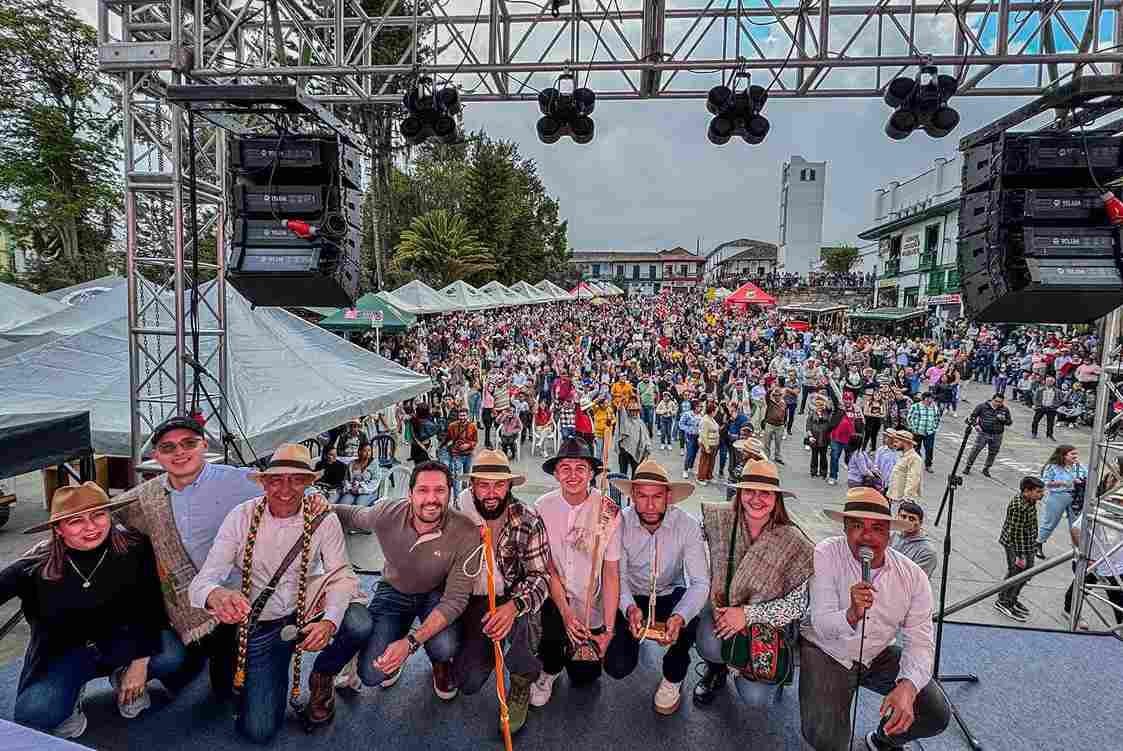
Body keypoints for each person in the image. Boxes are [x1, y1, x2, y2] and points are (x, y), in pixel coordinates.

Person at [188, 444, 369, 741]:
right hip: (264, 619)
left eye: (296, 479)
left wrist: (329, 622)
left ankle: (323, 674)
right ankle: (267, 673)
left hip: (309, 605)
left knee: (359, 622)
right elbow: (202, 581)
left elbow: (341, 576)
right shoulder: (241, 516)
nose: (285, 489)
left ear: (308, 483)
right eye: (276, 480)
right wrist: (216, 595)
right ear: (264, 483)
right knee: (258, 731)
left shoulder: (323, 517)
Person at [112, 416, 295, 704]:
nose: (179, 452)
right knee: (179, 674)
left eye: (188, 443)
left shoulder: (238, 480)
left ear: (204, 446)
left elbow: (296, 493)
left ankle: (231, 659)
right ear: (156, 456)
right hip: (189, 606)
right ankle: (189, 663)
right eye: (168, 447)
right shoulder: (147, 496)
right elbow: (100, 515)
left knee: (227, 692)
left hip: (240, 602)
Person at [3, 483, 192, 739]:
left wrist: (139, 665)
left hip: (123, 642)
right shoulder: (33, 567)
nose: (91, 527)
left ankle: (124, 676)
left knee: (172, 656)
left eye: (98, 515)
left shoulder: (134, 547)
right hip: (63, 653)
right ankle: (72, 693)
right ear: (58, 529)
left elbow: (151, 606)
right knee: (34, 715)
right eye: (75, 521)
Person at [800, 487, 950, 751]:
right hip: (826, 651)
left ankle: (883, 739)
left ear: (890, 534)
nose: (867, 536)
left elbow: (921, 641)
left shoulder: (913, 576)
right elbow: (821, 625)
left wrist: (908, 685)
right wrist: (851, 614)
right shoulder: (826, 553)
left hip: (876, 652)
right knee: (827, 739)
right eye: (858, 526)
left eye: (878, 528)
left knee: (935, 712)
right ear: (845, 528)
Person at [329, 461, 478, 700]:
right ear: (410, 494)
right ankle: (393, 652)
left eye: (440, 490)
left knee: (445, 647)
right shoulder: (387, 513)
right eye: (423, 490)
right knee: (371, 674)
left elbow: (455, 600)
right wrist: (316, 506)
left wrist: (410, 643)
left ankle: (439, 662)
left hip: (436, 593)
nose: (432, 498)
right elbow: (350, 515)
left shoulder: (466, 531)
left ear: (450, 493)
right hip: (393, 590)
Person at [693, 459, 813, 705]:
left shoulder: (794, 540)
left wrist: (747, 615)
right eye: (750, 491)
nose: (756, 499)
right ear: (740, 492)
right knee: (708, 644)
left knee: (756, 698)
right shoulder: (717, 519)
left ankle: (763, 669)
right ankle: (717, 670)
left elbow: (797, 605)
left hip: (766, 623)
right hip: (722, 610)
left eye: (765, 493)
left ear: (776, 498)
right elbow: (700, 568)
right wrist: (720, 608)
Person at [451, 450, 551, 735]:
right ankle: (453, 654)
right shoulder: (457, 514)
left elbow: (540, 576)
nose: (491, 493)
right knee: (468, 682)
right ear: (472, 486)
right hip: (473, 597)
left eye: (499, 485)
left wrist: (514, 606)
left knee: (528, 619)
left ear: (510, 486)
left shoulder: (529, 519)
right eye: (483, 484)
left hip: (513, 595)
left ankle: (520, 682)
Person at [602, 460, 709, 714]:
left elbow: (700, 582)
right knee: (616, 666)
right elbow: (619, 577)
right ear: (633, 496)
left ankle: (673, 677)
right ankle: (633, 636)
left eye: (657, 496)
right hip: (630, 597)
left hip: (668, 593)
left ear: (668, 497)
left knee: (691, 616)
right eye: (642, 496)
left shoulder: (688, 525)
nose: (649, 505)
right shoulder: (620, 523)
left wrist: (679, 616)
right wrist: (628, 608)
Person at [531, 438, 622, 705]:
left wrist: (608, 630)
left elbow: (610, 572)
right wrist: (566, 614)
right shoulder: (542, 507)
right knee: (551, 641)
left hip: (589, 602)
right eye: (566, 468)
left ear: (592, 473)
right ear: (556, 473)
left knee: (585, 676)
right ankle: (549, 669)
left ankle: (569, 654)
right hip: (554, 595)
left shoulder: (608, 511)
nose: (573, 475)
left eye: (580, 468)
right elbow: (546, 566)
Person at [994, 476, 1045, 622]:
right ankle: (1004, 601)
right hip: (1016, 546)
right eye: (1038, 491)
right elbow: (1016, 533)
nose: (1042, 494)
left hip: (1027, 543)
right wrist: (1020, 556)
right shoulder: (1019, 506)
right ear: (1027, 491)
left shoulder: (1030, 501)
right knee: (1016, 573)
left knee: (1027, 573)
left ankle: (1011, 597)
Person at [1036, 444, 1087, 558]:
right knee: (1050, 522)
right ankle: (1038, 544)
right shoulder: (1052, 467)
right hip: (1058, 496)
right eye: (1072, 454)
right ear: (1063, 455)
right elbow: (1044, 482)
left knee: (1076, 525)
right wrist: (1062, 482)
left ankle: (1078, 549)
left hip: (1076, 498)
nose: (1075, 456)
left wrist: (1082, 481)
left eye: (1076, 454)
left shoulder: (1079, 466)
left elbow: (1088, 477)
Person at [963, 393, 1013, 478]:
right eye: (996, 401)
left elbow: (1009, 422)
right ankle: (968, 466)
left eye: (1000, 402)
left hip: (997, 434)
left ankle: (986, 468)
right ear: (992, 400)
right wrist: (976, 425)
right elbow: (972, 417)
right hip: (984, 433)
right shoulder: (982, 406)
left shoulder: (1005, 409)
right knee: (975, 450)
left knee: (993, 452)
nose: (998, 404)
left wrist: (1003, 420)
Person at [889, 500, 937, 580]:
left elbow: (916, 580)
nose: (907, 521)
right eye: (903, 517)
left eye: (912, 519)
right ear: (897, 517)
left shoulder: (927, 552)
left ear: (920, 523)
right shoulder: (892, 536)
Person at [616, 396, 652, 478]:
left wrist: (647, 447)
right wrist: (621, 403)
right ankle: (623, 487)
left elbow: (645, 437)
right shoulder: (624, 419)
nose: (634, 413)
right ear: (628, 411)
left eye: (636, 411)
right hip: (624, 449)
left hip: (636, 450)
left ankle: (633, 487)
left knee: (635, 471)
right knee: (622, 472)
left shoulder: (640, 422)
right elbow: (620, 412)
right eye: (632, 411)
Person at [446, 407, 479, 494]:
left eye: (464, 415)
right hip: (457, 455)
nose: (462, 418)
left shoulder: (472, 426)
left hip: (469, 454)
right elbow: (447, 439)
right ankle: (457, 499)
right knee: (458, 477)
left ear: (467, 416)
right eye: (460, 416)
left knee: (467, 476)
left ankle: (465, 495)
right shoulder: (452, 426)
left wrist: (468, 445)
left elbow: (475, 441)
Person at [906, 392, 940, 473]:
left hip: (929, 432)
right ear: (925, 399)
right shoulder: (915, 406)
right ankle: (914, 464)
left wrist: (934, 428)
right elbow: (909, 418)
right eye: (930, 398)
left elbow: (937, 418)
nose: (931, 400)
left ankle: (928, 465)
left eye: (932, 398)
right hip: (917, 432)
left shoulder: (934, 407)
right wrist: (913, 429)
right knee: (915, 449)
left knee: (929, 449)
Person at [885, 430, 922, 504]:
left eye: (896, 442)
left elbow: (913, 479)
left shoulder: (914, 458)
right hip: (895, 498)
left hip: (902, 500)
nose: (894, 444)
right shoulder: (902, 456)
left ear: (905, 443)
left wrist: (907, 498)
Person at [695, 402, 721, 486]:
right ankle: (701, 477)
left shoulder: (711, 418)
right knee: (704, 461)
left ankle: (708, 476)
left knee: (711, 461)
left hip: (714, 444)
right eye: (716, 410)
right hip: (708, 444)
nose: (717, 412)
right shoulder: (705, 420)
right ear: (712, 411)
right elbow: (703, 435)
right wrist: (706, 447)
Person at [762, 385, 788, 465]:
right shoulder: (770, 402)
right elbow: (767, 395)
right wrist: (771, 389)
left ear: (781, 396)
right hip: (769, 424)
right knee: (767, 442)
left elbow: (785, 414)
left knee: (778, 442)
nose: (777, 397)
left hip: (780, 426)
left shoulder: (783, 403)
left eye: (779, 395)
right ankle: (766, 456)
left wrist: (785, 424)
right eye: (775, 395)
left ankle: (777, 456)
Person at [1031, 375, 1060, 440]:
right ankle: (1034, 433)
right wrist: (1037, 405)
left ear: (1053, 383)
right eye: (1048, 381)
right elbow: (1035, 398)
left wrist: (1055, 406)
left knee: (1050, 423)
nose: (1049, 382)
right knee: (1035, 420)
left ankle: (1049, 434)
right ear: (1045, 382)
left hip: (1051, 408)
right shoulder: (1040, 389)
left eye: (1051, 381)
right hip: (1041, 407)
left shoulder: (1057, 391)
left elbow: (1059, 400)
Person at [679, 400, 702, 479]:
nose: (701, 408)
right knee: (689, 453)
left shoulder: (701, 415)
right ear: (695, 406)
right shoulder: (687, 414)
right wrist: (689, 429)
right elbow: (681, 424)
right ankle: (685, 470)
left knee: (695, 453)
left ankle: (690, 468)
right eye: (699, 406)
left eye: (701, 406)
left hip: (698, 436)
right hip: (690, 436)